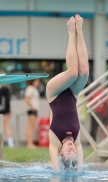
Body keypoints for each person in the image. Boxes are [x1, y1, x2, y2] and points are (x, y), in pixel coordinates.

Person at [46, 14, 89, 170]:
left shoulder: (55, 141)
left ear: (60, 151)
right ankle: (80, 30)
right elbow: (80, 168)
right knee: (83, 72)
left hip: (54, 93)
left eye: (68, 151)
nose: (71, 148)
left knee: (73, 72)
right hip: (72, 93)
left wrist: (58, 173)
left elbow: (56, 171)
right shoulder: (77, 139)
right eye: (74, 151)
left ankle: (71, 32)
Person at [24, 79, 40, 148]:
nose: (38, 83)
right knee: (30, 127)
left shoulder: (34, 89)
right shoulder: (30, 88)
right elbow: (26, 98)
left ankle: (30, 143)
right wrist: (32, 106)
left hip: (35, 109)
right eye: (36, 81)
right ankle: (29, 143)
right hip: (32, 110)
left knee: (32, 127)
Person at [0, 84, 14, 148]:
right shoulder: (4, 89)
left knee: (6, 126)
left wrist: (8, 111)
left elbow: (7, 100)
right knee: (6, 126)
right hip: (4, 110)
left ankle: (11, 144)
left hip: (4, 111)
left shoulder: (5, 89)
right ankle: (11, 144)